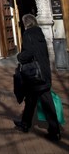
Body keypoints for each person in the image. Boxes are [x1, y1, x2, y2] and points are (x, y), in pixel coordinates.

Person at [13, 14, 61, 142]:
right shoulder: (40, 33)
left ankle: (54, 131)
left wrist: (19, 57)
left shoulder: (28, 34)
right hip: (44, 72)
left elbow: (28, 53)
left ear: (26, 23)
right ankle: (25, 124)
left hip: (35, 75)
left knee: (45, 103)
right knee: (31, 100)